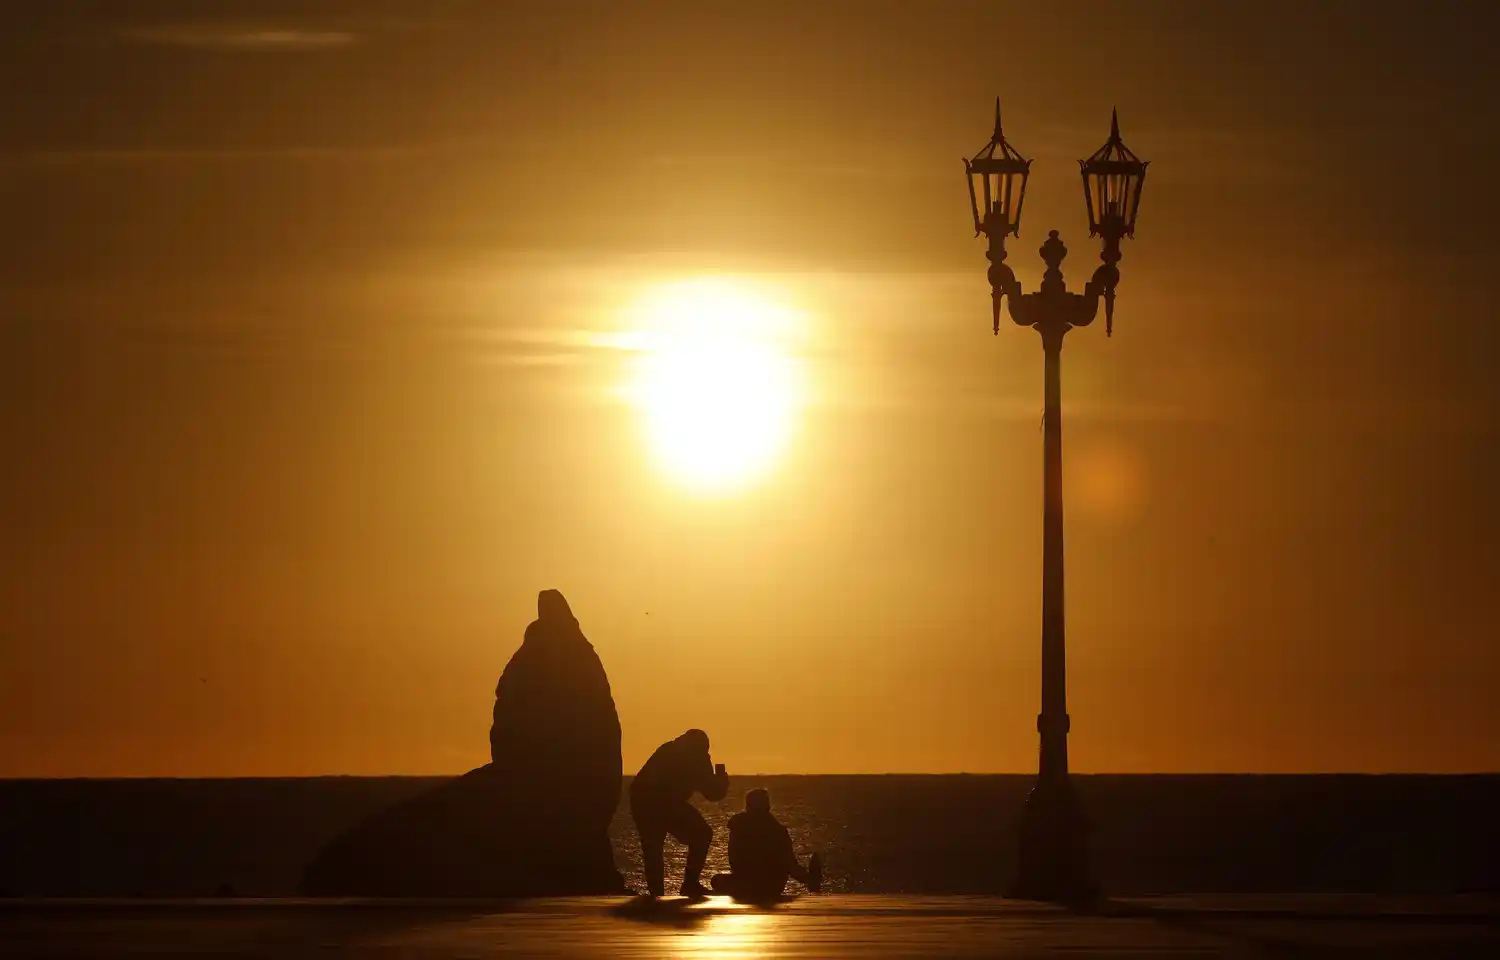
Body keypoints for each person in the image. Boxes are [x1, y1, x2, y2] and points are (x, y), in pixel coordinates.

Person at [630, 728, 729, 898]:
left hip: (644, 800)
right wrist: (722, 780)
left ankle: (658, 894)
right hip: (658, 802)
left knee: (653, 848)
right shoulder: (696, 756)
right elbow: (712, 793)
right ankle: (688, 885)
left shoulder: (669, 749)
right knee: (701, 834)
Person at [709, 789, 822, 901]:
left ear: (748, 805)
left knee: (716, 880)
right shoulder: (778, 829)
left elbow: (734, 860)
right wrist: (808, 879)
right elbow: (790, 864)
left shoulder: (738, 826)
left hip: (745, 884)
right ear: (767, 806)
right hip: (773, 886)